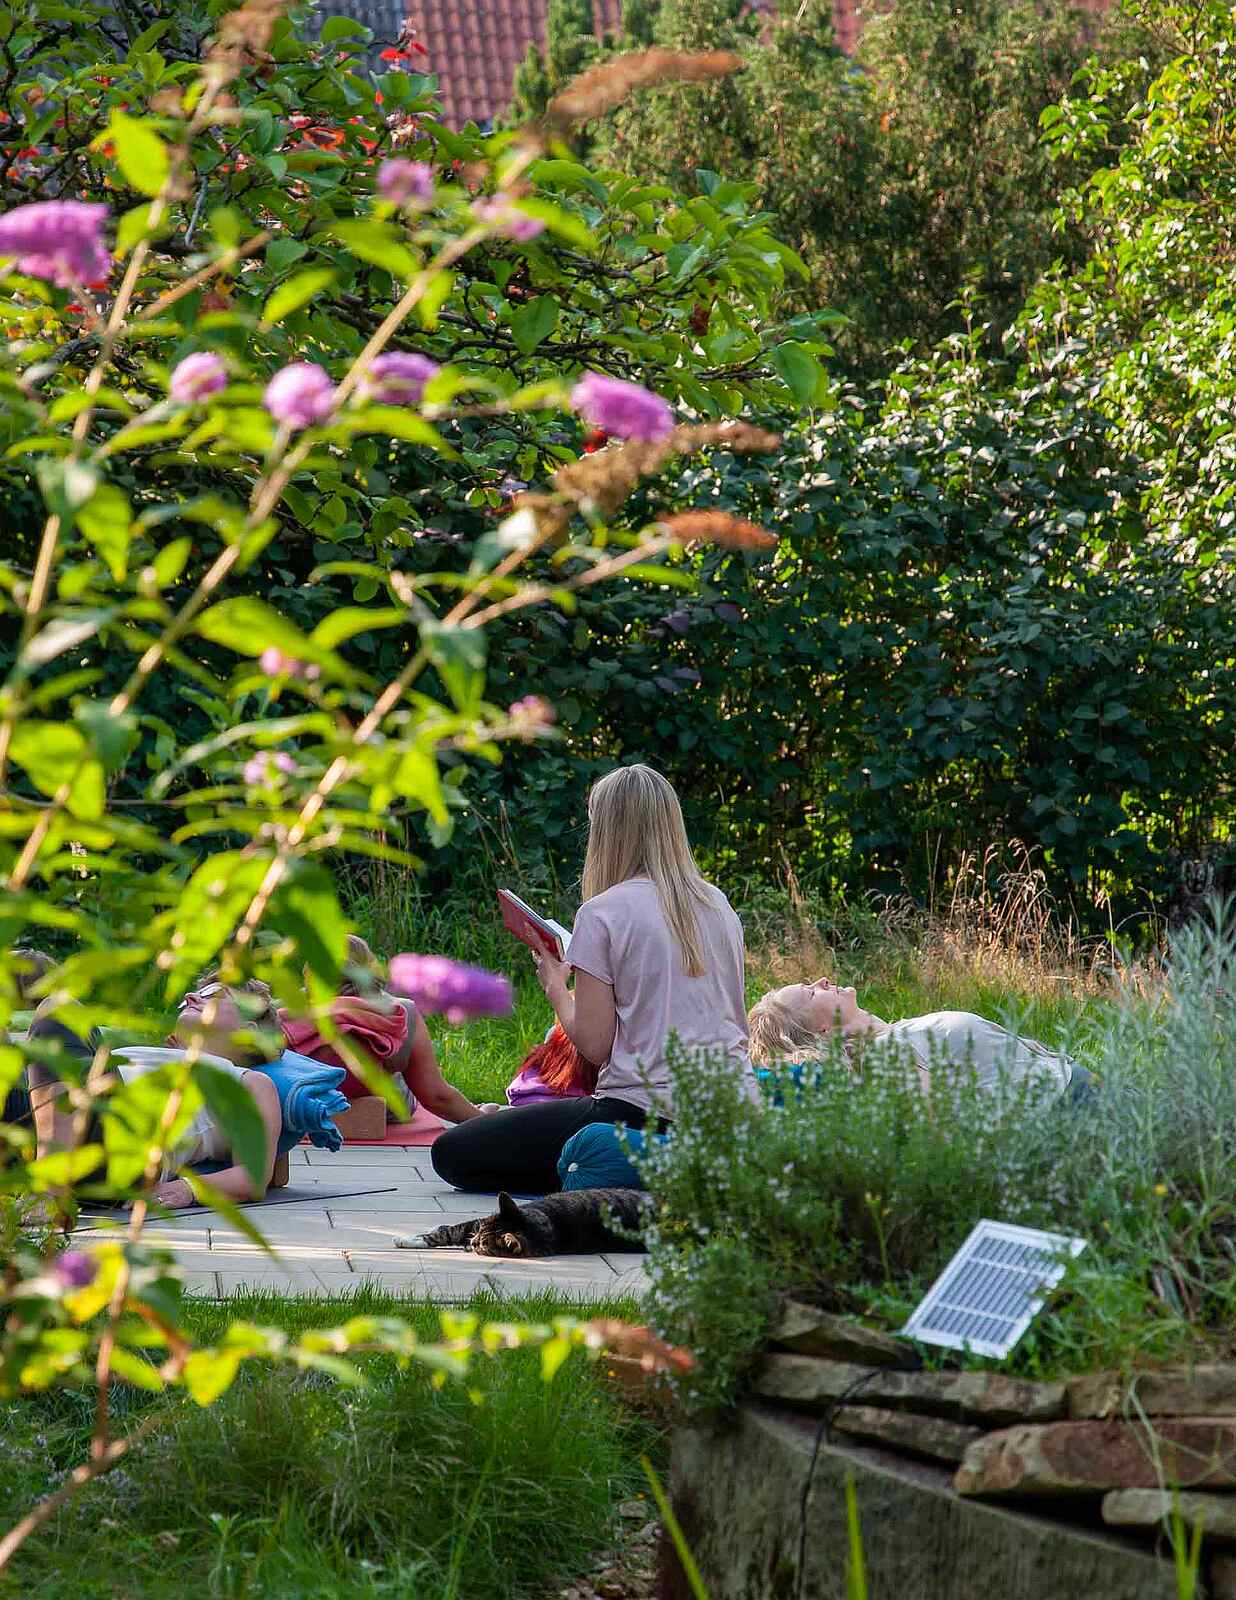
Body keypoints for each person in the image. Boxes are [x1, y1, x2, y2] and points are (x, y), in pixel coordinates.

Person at [431, 764, 754, 1193]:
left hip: (640, 1110)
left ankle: (618, 1165)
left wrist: (554, 987)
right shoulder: (718, 904)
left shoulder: (603, 912)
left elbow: (595, 1045)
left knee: (453, 1153)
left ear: (607, 832)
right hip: (733, 1109)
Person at [26, 976, 286, 1210]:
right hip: (38, 1124)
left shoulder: (250, 1082)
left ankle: (47, 1191)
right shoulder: (162, 1055)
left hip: (120, 1141)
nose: (190, 997)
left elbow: (255, 1176)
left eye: (214, 994)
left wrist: (189, 1188)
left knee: (60, 1008)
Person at [746, 977, 1094, 1106]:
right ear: (824, 1032)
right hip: (1076, 1108)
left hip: (1079, 1089)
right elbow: (933, 1136)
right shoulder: (884, 1056)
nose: (822, 981)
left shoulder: (888, 1036)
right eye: (810, 993)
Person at [282, 935, 491, 1127]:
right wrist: (481, 1119)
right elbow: (437, 1097)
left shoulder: (282, 1015)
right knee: (398, 1076)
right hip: (384, 1107)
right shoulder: (402, 1012)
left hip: (298, 1104)